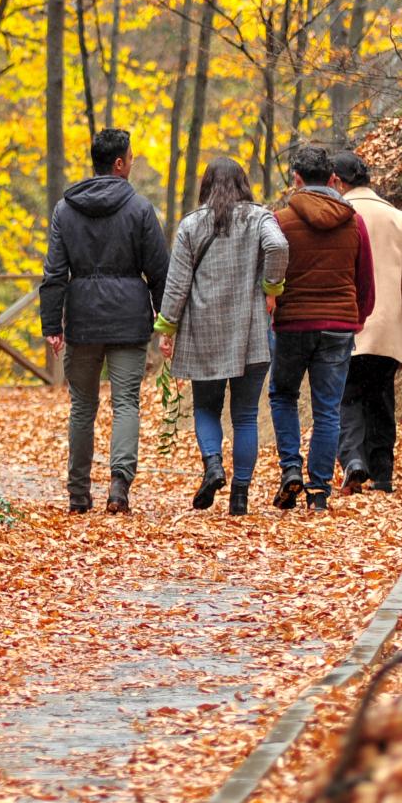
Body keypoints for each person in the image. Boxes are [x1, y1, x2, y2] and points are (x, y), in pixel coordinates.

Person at [40, 128, 170, 514]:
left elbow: (54, 273)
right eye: (130, 157)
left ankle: (78, 494)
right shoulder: (141, 210)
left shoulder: (66, 209)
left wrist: (52, 324)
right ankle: (118, 486)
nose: (133, 162)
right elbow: (159, 272)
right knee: (126, 402)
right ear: (118, 163)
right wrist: (164, 320)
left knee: (82, 406)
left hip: (82, 320)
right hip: (129, 319)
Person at [155, 157, 290, 515]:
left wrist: (167, 327)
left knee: (206, 407)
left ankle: (213, 464)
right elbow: (278, 246)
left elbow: (178, 283)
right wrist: (271, 289)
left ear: (206, 185)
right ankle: (240, 497)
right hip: (249, 330)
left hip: (204, 330)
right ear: (244, 183)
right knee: (245, 415)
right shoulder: (259, 218)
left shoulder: (192, 224)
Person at [330, 151, 402, 494]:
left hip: (349, 322)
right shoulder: (397, 218)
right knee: (381, 398)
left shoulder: (340, 215)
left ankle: (353, 460)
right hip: (388, 331)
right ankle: (382, 474)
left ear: (338, 180)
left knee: (346, 396)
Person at [269, 142, 376, 512]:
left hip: (292, 323)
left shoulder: (280, 221)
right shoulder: (354, 221)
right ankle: (318, 491)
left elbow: (272, 277)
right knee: (327, 408)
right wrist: (358, 316)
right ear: (332, 179)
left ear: (296, 179)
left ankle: (290, 470)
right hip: (338, 325)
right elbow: (366, 280)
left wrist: (273, 310)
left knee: (283, 395)